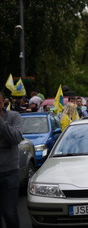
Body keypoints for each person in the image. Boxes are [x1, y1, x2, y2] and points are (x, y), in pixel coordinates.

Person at [0, 91, 23, 228]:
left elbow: (15, 138)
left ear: (3, 103)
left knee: (9, 213)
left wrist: (1, 122)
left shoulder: (14, 116)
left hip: (9, 172)